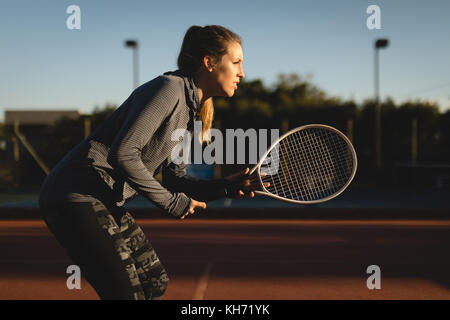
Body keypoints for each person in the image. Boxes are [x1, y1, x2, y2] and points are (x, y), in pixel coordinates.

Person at [38, 25, 262, 300]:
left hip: (103, 199)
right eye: (237, 62)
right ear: (209, 63)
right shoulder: (169, 89)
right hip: (74, 194)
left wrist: (225, 187)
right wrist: (171, 203)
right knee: (125, 294)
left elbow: (174, 179)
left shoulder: (193, 112)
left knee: (154, 282)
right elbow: (122, 154)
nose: (242, 73)